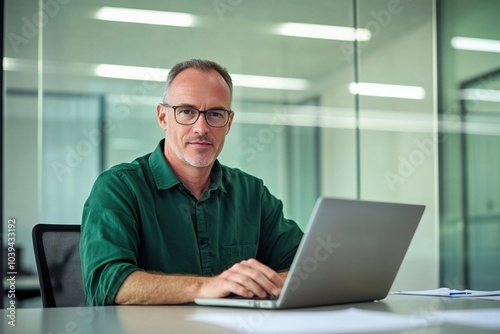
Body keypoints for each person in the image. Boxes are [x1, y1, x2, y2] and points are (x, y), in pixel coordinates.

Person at [80, 59, 304, 306]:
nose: (201, 127)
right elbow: (106, 284)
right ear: (163, 117)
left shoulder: (251, 193)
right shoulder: (119, 187)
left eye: (215, 114)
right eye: (186, 111)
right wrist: (208, 287)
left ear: (228, 123)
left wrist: (267, 282)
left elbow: (308, 265)